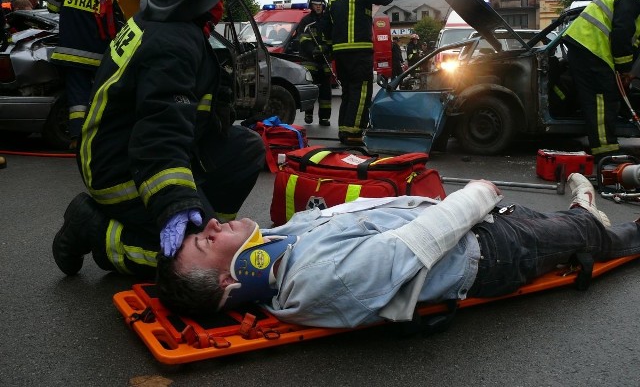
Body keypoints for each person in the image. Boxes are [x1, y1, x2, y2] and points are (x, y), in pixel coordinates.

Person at [51, 0, 265, 280]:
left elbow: (176, 109)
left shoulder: (160, 19)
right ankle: (95, 229)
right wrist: (176, 203)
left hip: (134, 148)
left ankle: (208, 225)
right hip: (120, 170)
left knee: (245, 149)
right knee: (202, 264)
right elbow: (160, 131)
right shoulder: (173, 42)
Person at [156, 173, 640, 328]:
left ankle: (579, 214)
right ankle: (604, 221)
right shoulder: (317, 279)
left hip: (477, 229)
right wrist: (473, 197)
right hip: (489, 252)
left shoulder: (284, 249)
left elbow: (358, 213)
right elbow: (415, 245)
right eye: (206, 242)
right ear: (230, 281)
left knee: (552, 224)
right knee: (592, 238)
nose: (213, 224)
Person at [563, 0, 640, 161]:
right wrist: (624, 70)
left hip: (587, 47)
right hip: (590, 46)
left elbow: (632, 43)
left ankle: (605, 146)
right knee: (602, 97)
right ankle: (604, 151)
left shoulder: (630, 0)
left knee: (606, 94)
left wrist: (627, 72)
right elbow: (622, 36)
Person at [47, 0, 117, 148]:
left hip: (70, 51)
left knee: (77, 96)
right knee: (101, 95)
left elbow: (52, 7)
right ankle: (102, 136)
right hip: (101, 54)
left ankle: (77, 138)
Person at [324, 0, 394, 145]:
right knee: (361, 91)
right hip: (358, 51)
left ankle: (344, 130)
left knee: (348, 92)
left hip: (340, 53)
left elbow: (326, 27)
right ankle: (353, 134)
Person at [298, 0, 332, 126]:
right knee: (311, 89)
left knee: (325, 91)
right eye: (315, 4)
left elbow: (332, 39)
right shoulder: (306, 21)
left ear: (324, 6)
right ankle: (308, 114)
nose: (318, 7)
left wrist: (326, 48)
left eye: (320, 5)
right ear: (311, 5)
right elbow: (302, 39)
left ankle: (324, 118)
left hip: (325, 60)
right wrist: (313, 50)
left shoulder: (328, 21)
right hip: (309, 60)